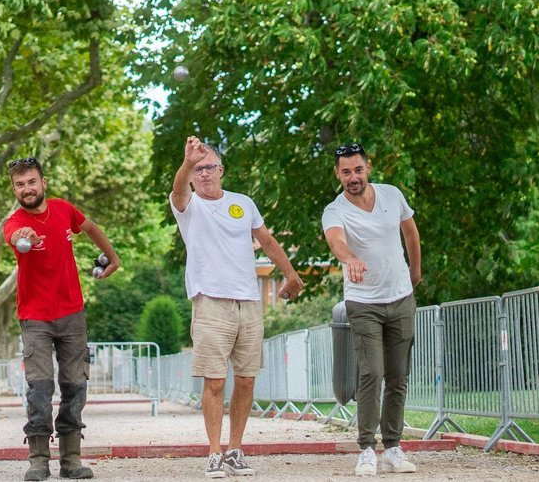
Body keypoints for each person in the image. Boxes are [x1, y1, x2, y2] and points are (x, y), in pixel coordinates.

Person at [169, 136, 305, 478]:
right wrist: (187, 161)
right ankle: (214, 453)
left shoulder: (243, 203)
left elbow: (267, 240)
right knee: (215, 382)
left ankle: (235, 450)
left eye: (209, 167)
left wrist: (289, 274)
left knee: (246, 380)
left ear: (221, 171)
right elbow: (178, 191)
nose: (203, 174)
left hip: (249, 302)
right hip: (210, 301)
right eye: (197, 170)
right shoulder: (188, 206)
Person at [4, 156, 120, 481]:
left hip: (72, 314)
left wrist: (113, 258)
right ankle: (38, 460)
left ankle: (71, 459)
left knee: (75, 387)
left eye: (31, 182)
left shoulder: (64, 209)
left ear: (43, 182)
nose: (26, 189)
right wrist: (23, 238)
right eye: (19, 184)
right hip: (35, 318)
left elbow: (91, 226)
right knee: (39, 389)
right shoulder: (14, 223)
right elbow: (16, 238)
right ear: (14, 189)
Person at [321, 143, 422, 476]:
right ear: (337, 174)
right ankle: (366, 448)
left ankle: (393, 447)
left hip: (401, 298)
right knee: (371, 372)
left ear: (368, 168)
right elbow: (336, 241)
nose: (353, 177)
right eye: (346, 172)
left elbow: (410, 232)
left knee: (397, 376)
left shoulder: (392, 195)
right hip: (363, 303)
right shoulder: (334, 210)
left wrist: (415, 271)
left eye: (358, 169)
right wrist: (350, 258)